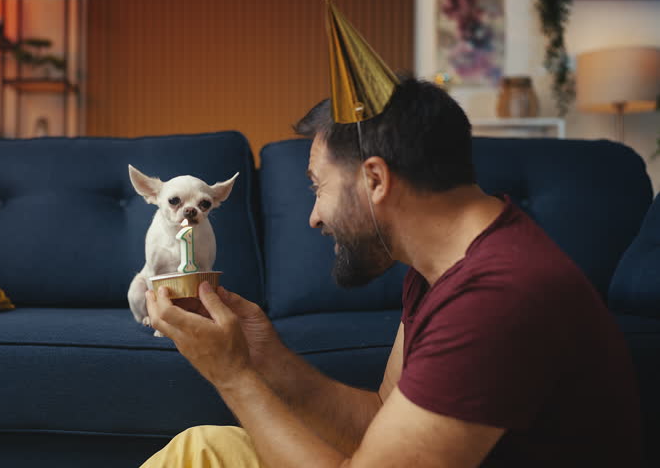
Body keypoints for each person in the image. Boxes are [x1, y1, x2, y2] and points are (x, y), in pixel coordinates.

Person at [140, 77, 643, 467]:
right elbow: (382, 420)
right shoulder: (441, 266)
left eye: (318, 187)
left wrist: (233, 375)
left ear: (376, 179)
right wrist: (261, 355)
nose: (313, 217)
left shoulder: (500, 297)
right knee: (201, 450)